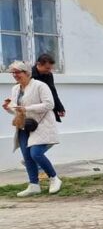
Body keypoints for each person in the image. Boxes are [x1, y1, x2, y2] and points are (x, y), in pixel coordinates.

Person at [3, 61, 62, 197]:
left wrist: (27, 108)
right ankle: (34, 185)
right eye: (13, 72)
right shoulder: (16, 89)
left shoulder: (40, 86)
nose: (15, 75)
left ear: (27, 73)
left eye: (17, 72)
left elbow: (49, 104)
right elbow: (17, 110)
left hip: (41, 125)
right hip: (24, 126)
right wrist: (8, 108)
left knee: (36, 153)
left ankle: (54, 178)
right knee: (27, 156)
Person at [31, 54, 65, 123]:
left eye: (50, 68)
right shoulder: (28, 74)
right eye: (47, 68)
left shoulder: (49, 75)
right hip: (32, 109)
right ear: (39, 64)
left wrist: (60, 108)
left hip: (46, 108)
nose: (49, 71)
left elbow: (52, 92)